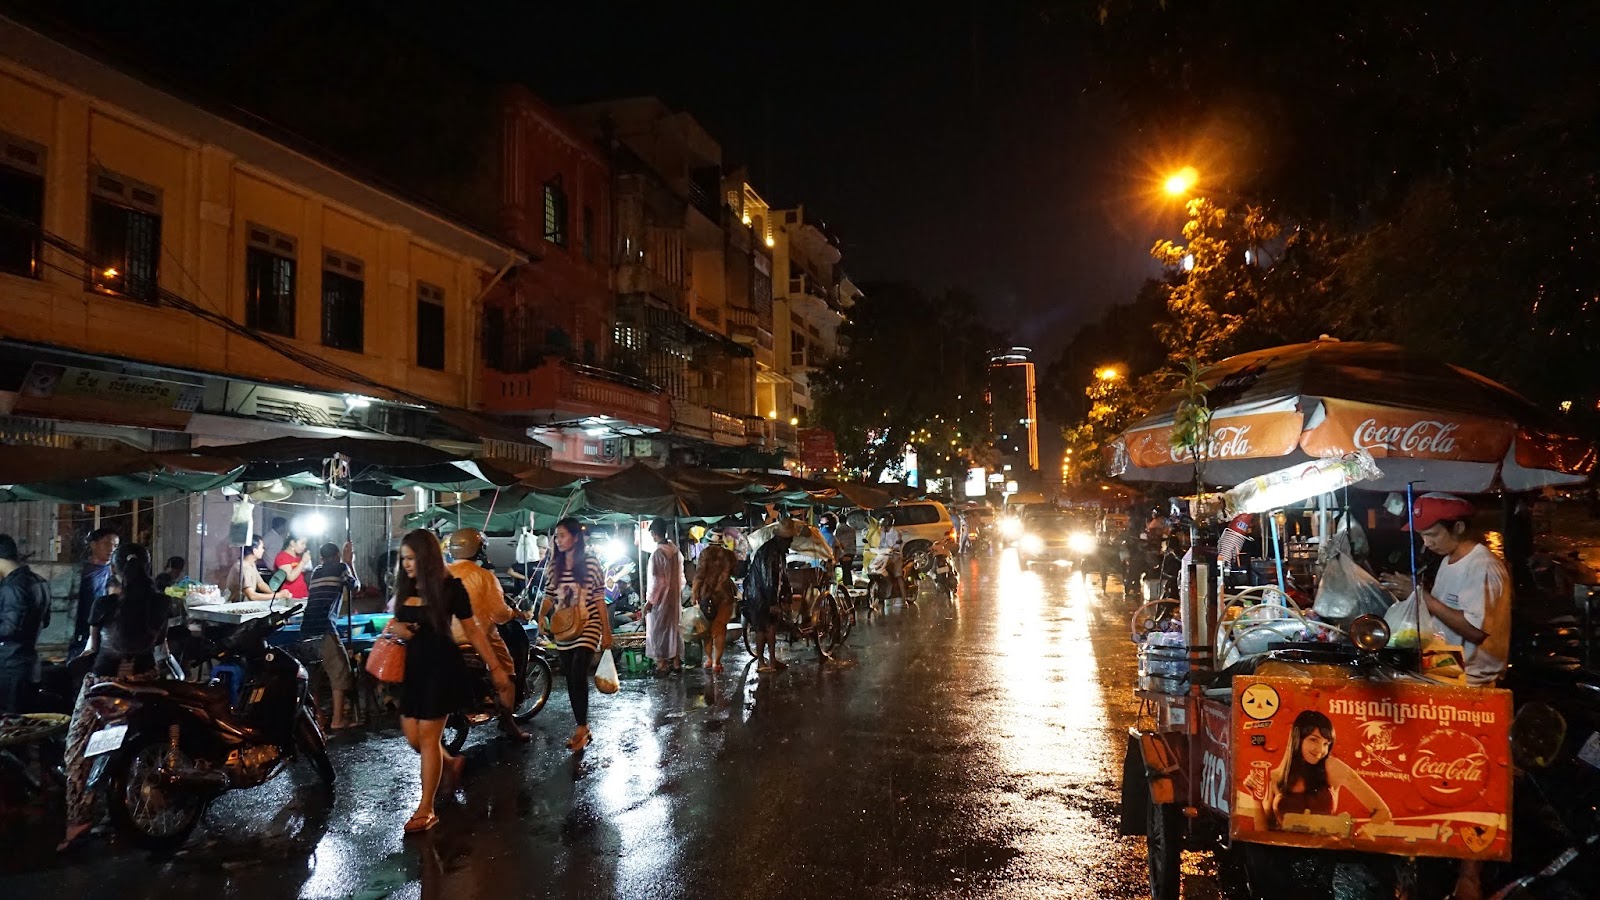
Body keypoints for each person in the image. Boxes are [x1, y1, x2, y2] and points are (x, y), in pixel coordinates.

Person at [389, 530, 512, 834]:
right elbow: (397, 621)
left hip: (441, 667)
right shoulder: (405, 586)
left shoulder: (450, 588)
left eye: (412, 558)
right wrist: (398, 628)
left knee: (429, 739)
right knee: (414, 738)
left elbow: (472, 631)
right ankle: (451, 763)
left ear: (427, 557)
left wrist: (496, 668)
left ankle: (426, 808)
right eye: (403, 558)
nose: (406, 564)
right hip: (412, 667)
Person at [59, 543, 172, 851]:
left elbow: (92, 650)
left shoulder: (103, 604)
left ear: (115, 570)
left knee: (78, 751)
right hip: (145, 684)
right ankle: (138, 809)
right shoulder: (162, 604)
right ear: (148, 568)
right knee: (145, 745)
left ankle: (79, 820)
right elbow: (162, 650)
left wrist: (72, 663)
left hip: (105, 686)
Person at [445, 528, 527, 742]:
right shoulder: (484, 577)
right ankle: (509, 724)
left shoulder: (442, 572)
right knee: (507, 674)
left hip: (446, 638)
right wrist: (515, 613)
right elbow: (499, 614)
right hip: (478, 636)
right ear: (478, 549)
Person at [539, 518, 610, 752]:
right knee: (570, 675)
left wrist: (606, 632)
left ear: (575, 537)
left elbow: (599, 597)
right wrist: (541, 615)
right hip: (562, 627)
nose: (558, 541)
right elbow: (550, 594)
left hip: (588, 623)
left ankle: (581, 728)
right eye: (556, 536)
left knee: (578, 671)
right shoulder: (553, 566)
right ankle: (583, 724)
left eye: (562, 535)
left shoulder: (590, 563)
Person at [1263, 710, 1392, 830]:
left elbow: (1383, 813)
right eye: (1314, 740)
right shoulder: (1276, 776)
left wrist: (1356, 838)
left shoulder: (1331, 767)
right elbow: (1265, 829)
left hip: (1324, 851)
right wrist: (1256, 801)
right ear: (1297, 739)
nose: (1320, 750)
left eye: (1326, 744)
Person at [303, 541, 359, 731]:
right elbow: (355, 587)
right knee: (341, 672)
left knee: (315, 675)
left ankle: (317, 719)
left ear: (321, 558)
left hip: (307, 628)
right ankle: (337, 720)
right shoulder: (341, 567)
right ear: (336, 555)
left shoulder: (316, 572)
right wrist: (350, 562)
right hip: (324, 626)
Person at [0, 535, 51, 713]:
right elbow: (46, 622)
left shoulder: (12, 587)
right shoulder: (39, 581)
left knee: (12, 724)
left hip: (11, 667)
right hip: (29, 664)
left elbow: (10, 629)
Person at [743, 535, 792, 672]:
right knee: (762, 628)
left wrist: (787, 595)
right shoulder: (769, 553)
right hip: (758, 595)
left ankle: (772, 660)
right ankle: (761, 662)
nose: (790, 543)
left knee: (770, 627)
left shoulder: (778, 551)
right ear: (783, 539)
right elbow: (769, 580)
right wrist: (773, 603)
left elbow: (783, 576)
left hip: (765, 594)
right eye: (789, 540)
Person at [68, 528, 118, 658]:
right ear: (93, 544)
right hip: (82, 632)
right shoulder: (81, 571)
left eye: (115, 545)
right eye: (107, 544)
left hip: (107, 633)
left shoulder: (117, 573)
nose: (111, 549)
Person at [644, 519, 684, 675]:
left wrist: (650, 601)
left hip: (661, 599)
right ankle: (676, 662)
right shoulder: (675, 551)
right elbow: (681, 577)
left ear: (654, 534)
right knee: (674, 628)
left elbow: (658, 581)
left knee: (658, 630)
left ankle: (662, 664)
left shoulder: (658, 554)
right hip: (674, 597)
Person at [694, 532, 738, 673]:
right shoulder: (729, 555)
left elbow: (699, 575)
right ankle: (717, 663)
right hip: (725, 595)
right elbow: (736, 571)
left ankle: (709, 659)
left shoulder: (705, 554)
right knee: (720, 628)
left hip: (706, 595)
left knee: (706, 629)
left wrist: (695, 594)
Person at [229, 535, 293, 604]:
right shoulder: (243, 568)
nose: (263, 550)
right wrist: (277, 596)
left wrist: (277, 594)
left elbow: (260, 584)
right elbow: (252, 596)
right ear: (255, 551)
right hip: (236, 605)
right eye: (262, 548)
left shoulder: (251, 564)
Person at [274, 534, 313, 600]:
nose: (304, 546)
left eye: (305, 544)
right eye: (302, 543)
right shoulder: (282, 556)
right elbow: (290, 577)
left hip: (303, 594)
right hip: (290, 595)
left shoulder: (299, 557)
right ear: (292, 543)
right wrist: (303, 562)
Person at [833, 516, 858, 589]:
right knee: (847, 569)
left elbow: (837, 543)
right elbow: (854, 541)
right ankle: (849, 585)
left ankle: (847, 586)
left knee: (845, 569)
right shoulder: (851, 529)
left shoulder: (838, 530)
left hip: (843, 552)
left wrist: (836, 555)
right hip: (852, 552)